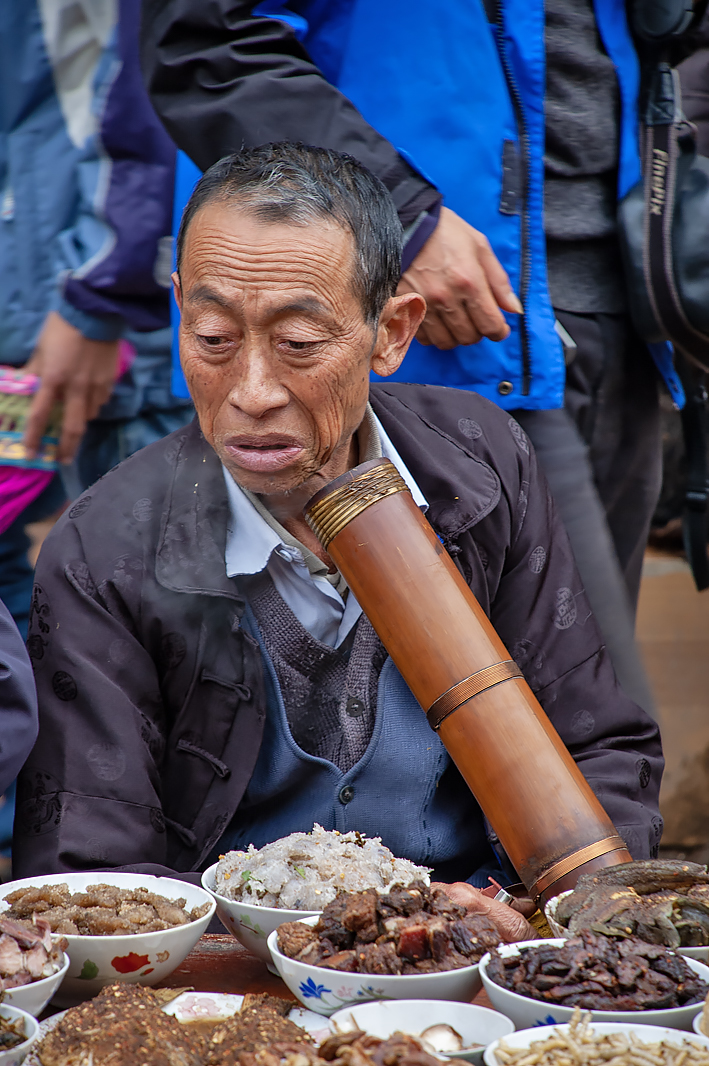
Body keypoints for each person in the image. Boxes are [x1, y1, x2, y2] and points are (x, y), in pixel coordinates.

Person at [14, 145, 663, 893]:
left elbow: (598, 747)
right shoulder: (107, 545)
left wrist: (507, 913)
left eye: (297, 344)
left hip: (473, 929)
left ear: (390, 332)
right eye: (213, 339)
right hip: (223, 964)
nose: (252, 391)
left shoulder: (477, 466)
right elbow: (92, 864)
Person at [139, 0, 701, 717]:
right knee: (569, 723)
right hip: (424, 332)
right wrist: (397, 215)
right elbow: (209, 42)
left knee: (570, 723)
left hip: (623, 310)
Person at [0, 0, 192, 638]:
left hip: (89, 344)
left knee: (131, 631)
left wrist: (98, 288)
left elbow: (143, 74)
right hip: (37, 331)